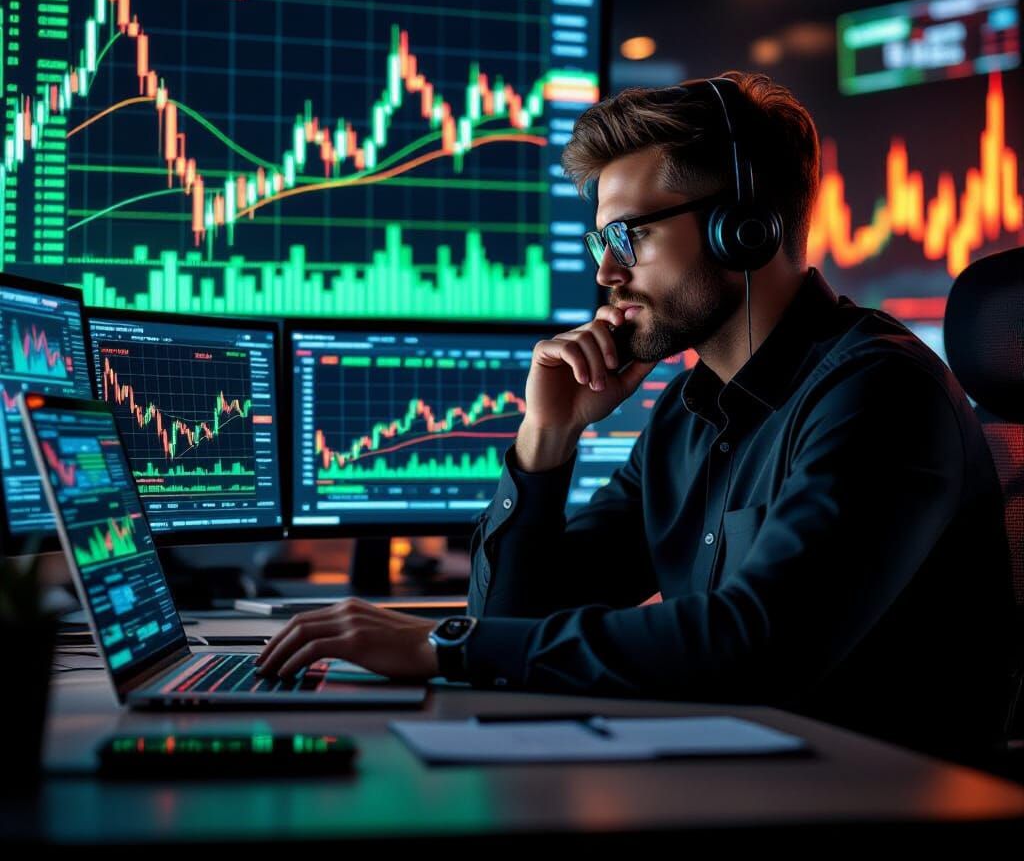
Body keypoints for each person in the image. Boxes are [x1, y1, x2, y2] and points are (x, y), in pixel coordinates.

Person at [256, 72, 1015, 765]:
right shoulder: (688, 413)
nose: (605, 272)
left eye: (630, 235)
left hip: (867, 803)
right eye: (601, 240)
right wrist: (547, 439)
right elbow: (516, 617)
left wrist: (442, 643)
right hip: (740, 779)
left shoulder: (879, 394)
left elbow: (757, 644)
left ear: (741, 228)